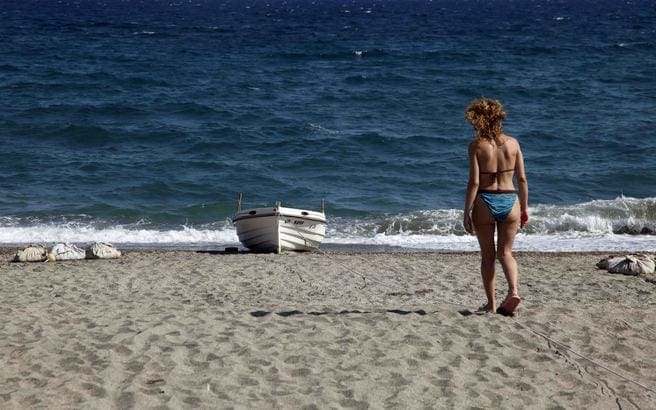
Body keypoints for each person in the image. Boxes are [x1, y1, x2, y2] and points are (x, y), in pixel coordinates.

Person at [462, 98, 528, 316]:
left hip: (485, 201)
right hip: (510, 200)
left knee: (488, 257)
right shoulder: (514, 144)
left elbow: (474, 182)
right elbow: (522, 179)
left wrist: (466, 211)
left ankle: (491, 305)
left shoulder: (476, 146)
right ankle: (513, 291)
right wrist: (524, 208)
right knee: (506, 253)